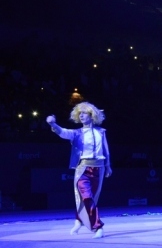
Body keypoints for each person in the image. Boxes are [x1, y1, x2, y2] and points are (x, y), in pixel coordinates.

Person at [46, 102, 112, 239]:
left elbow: (106, 150)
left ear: (91, 115)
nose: (81, 115)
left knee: (90, 199)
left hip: (99, 169)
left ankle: (79, 220)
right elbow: (63, 132)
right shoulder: (77, 133)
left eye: (84, 113)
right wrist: (53, 124)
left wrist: (108, 166)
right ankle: (98, 227)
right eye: (79, 113)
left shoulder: (101, 131)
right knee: (87, 196)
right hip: (83, 169)